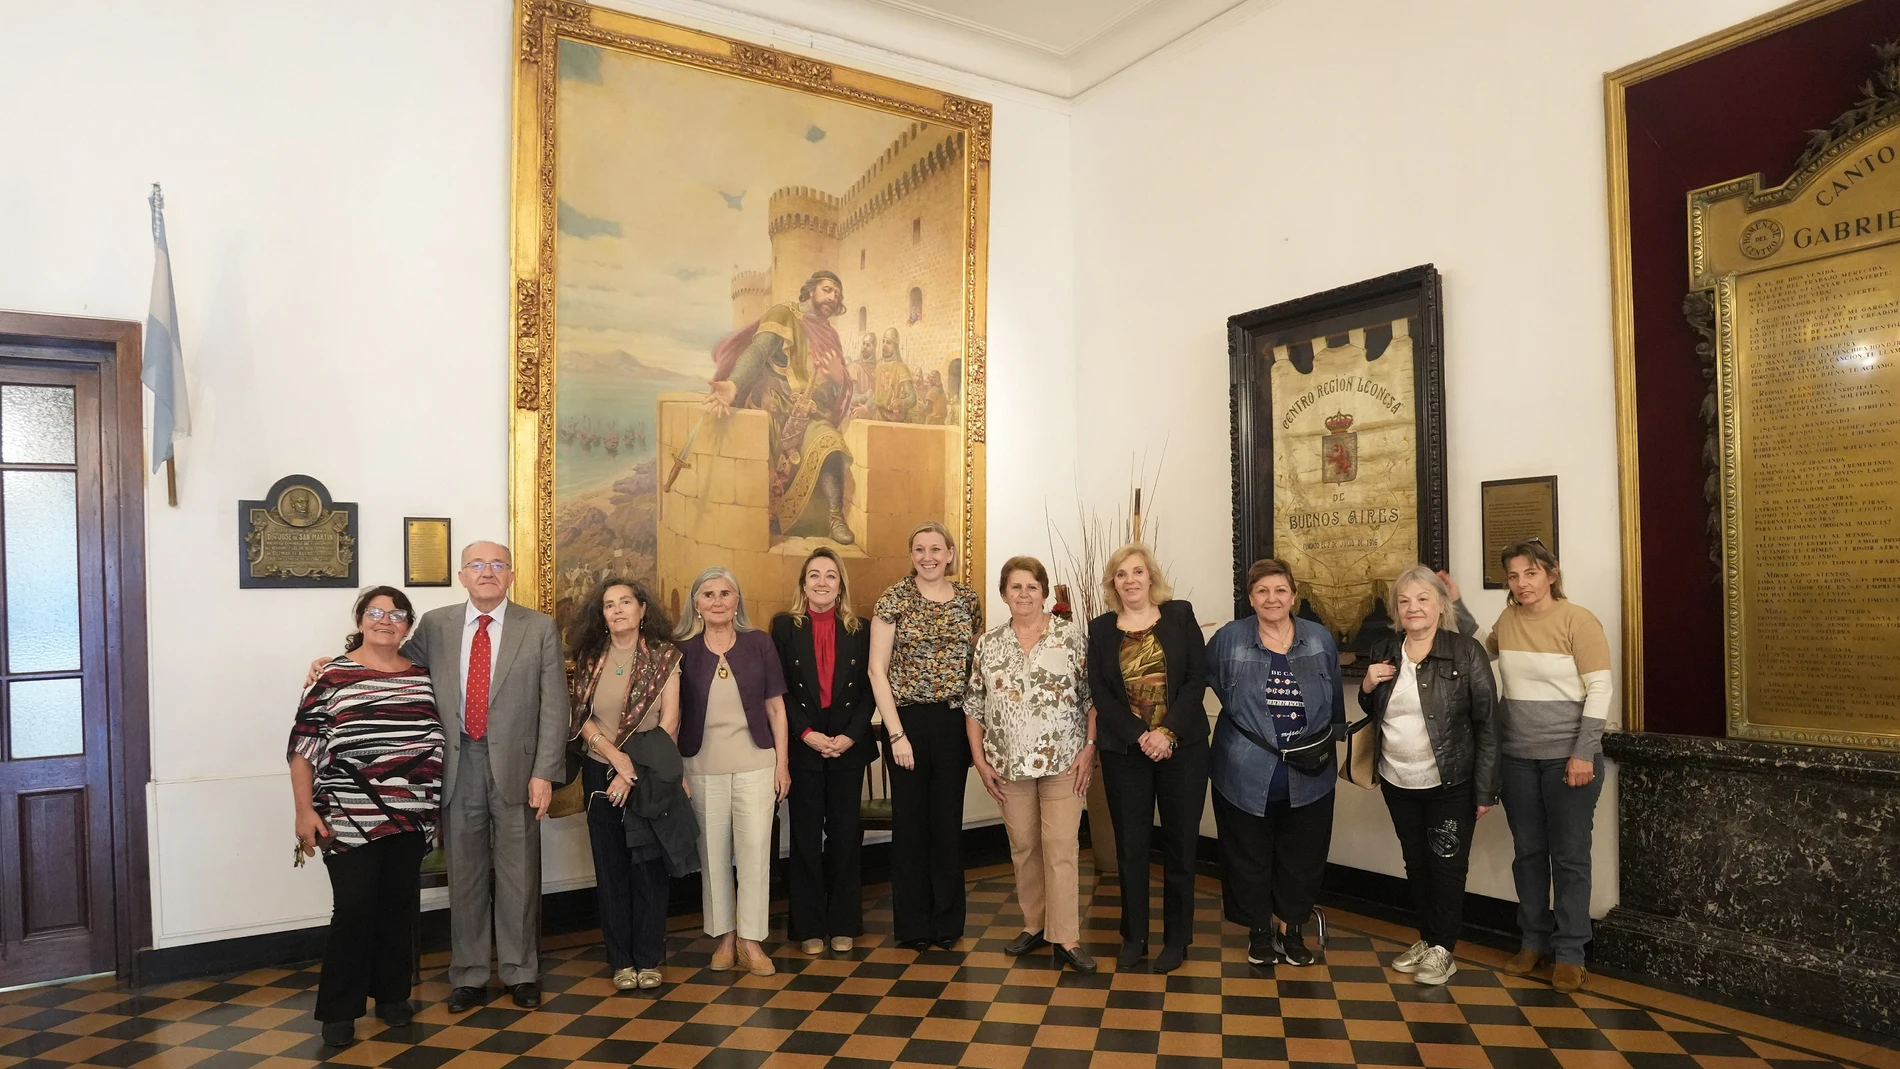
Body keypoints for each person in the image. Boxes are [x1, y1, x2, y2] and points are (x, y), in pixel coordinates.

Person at [333, 543, 568, 1014]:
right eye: (477, 565)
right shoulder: (437, 625)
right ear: (462, 575)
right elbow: (389, 657)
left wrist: (545, 772)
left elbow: (554, 704)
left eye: (497, 565)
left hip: (519, 770)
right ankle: (469, 975)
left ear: (511, 575)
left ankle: (521, 972)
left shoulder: (538, 627)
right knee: (465, 875)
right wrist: (334, 662)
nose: (487, 573)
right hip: (454, 766)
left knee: (519, 874)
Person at [291, 587, 443, 1048]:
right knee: (355, 909)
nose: (385, 621)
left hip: (412, 815)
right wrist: (303, 811)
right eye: (375, 613)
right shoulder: (332, 675)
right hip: (348, 815)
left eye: (396, 615)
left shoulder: (423, 675)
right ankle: (339, 1011)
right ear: (359, 620)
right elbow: (302, 747)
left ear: (408, 626)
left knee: (398, 907)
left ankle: (393, 996)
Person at [1358, 566, 1498, 985]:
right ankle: (1426, 938)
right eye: (1404, 602)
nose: (1413, 608)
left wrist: (1486, 789)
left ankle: (1444, 948)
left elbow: (1488, 723)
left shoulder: (1465, 652)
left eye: (1422, 599)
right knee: (1415, 863)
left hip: (1449, 782)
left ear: (1440, 605)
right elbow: (1375, 714)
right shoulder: (1385, 649)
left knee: (1447, 865)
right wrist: (1366, 686)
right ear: (1396, 612)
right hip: (1398, 780)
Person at [1484, 539, 1611, 994]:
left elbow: (1599, 689)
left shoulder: (1579, 620)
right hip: (1518, 757)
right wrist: (1451, 604)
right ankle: (1533, 941)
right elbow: (1478, 653)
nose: (1522, 584)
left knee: (1570, 856)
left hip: (1568, 758)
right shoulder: (1507, 620)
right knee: (1529, 854)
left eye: (1531, 574)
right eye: (1514, 576)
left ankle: (1571, 953)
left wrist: (1583, 752)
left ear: (1551, 574)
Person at [1207, 557, 1342, 969]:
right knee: (1249, 856)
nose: (1272, 598)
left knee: (1301, 857)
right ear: (1250, 598)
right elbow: (1199, 680)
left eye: (1280, 590)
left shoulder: (1319, 639)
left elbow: (1335, 699)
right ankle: (1259, 933)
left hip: (1310, 773)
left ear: (1293, 595)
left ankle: (1291, 931)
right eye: (1262, 591)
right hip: (1243, 772)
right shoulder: (1229, 639)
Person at [967, 557, 1098, 973]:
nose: (1024, 594)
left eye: (1032, 587)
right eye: (1015, 587)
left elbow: (1093, 698)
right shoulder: (988, 644)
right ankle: (1035, 925)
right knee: (1024, 848)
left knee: (1061, 846)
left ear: (1044, 592)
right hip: (1007, 766)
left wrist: (1089, 748)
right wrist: (980, 761)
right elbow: (974, 707)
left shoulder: (1071, 637)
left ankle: (1067, 937)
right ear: (1004, 594)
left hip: (1064, 762)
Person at [1086, 544, 1207, 973]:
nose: (1131, 580)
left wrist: (1166, 732)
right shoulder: (1100, 629)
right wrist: (1142, 735)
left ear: (1151, 577)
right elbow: (1100, 692)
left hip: (1183, 750)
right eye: (1121, 574)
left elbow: (1196, 679)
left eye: (1137, 572)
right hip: (1126, 752)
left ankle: (1177, 940)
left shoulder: (1179, 615)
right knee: (1131, 849)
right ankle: (1133, 937)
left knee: (1180, 849)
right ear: (1113, 583)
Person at [566, 577, 684, 991]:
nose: (617, 610)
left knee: (648, 867)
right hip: (601, 774)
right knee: (611, 867)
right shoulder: (592, 657)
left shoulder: (665, 657)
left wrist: (630, 770)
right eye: (609, 605)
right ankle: (621, 961)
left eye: (626, 602)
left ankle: (649, 958)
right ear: (601, 615)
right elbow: (582, 720)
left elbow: (669, 723)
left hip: (649, 774)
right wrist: (614, 758)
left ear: (642, 609)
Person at [871, 520, 982, 950]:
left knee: (947, 825)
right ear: (911, 555)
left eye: (937, 549)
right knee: (912, 826)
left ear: (950, 554)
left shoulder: (968, 600)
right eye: (920, 549)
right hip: (908, 724)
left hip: (954, 722)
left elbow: (976, 665)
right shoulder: (894, 599)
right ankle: (914, 925)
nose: (928, 557)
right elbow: (876, 670)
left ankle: (947, 923)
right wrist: (896, 735)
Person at [676, 567, 792, 976]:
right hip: (702, 766)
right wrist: (678, 772)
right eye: (708, 594)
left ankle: (751, 940)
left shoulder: (759, 643)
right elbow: (673, 716)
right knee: (713, 856)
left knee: (756, 854)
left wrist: (783, 763)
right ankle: (724, 937)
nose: (718, 601)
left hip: (757, 764)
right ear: (696, 604)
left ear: (737, 600)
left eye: (726, 593)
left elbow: (777, 708)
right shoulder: (683, 651)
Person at [771, 548, 876, 955]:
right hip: (805, 746)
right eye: (813, 575)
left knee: (846, 837)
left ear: (840, 585)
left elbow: (870, 687)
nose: (821, 582)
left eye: (830, 575)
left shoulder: (860, 629)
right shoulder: (783, 626)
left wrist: (851, 735)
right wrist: (806, 734)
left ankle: (845, 922)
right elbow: (778, 690)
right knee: (805, 838)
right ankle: (809, 926)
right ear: (803, 583)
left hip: (848, 745)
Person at [707, 270, 857, 543]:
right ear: (810, 290)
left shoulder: (831, 336)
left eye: (837, 293)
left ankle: (835, 519)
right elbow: (757, 352)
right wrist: (733, 385)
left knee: (830, 442)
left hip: (812, 413)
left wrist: (837, 377)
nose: (833, 297)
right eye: (827, 289)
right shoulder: (783, 314)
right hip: (776, 407)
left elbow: (839, 388)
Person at [872, 327, 915, 424]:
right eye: (883, 341)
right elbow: (875, 394)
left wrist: (901, 402)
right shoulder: (878, 365)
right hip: (878, 417)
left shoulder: (901, 368)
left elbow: (912, 398)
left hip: (895, 419)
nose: (884, 345)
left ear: (895, 346)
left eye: (888, 342)